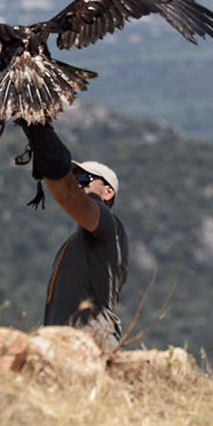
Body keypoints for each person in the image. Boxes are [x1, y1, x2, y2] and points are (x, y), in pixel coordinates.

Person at [19, 121, 129, 351]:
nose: (78, 184)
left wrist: (40, 130)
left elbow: (66, 194)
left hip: (92, 341)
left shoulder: (109, 225)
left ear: (108, 191)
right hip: (65, 345)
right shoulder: (81, 240)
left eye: (85, 180)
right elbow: (64, 189)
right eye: (74, 178)